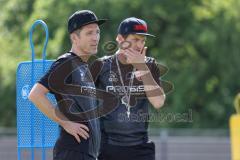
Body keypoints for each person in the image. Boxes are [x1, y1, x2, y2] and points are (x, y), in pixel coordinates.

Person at [28, 10, 106, 160]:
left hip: (86, 154)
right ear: (75, 38)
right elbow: (35, 94)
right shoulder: (66, 63)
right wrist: (66, 123)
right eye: (89, 33)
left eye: (97, 32)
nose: (95, 38)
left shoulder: (83, 67)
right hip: (73, 152)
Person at [92, 17, 166, 160]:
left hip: (141, 148)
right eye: (136, 39)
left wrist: (142, 68)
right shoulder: (102, 65)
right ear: (120, 39)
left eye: (143, 40)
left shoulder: (149, 64)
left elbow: (158, 102)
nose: (140, 44)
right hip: (108, 147)